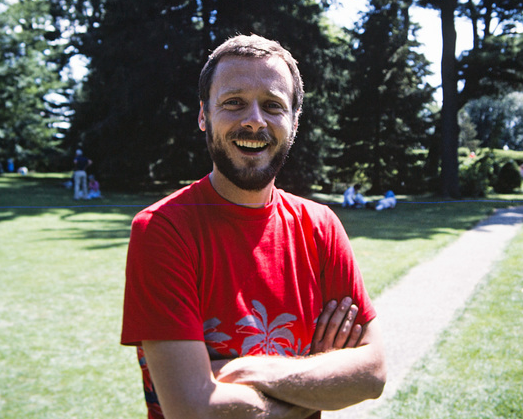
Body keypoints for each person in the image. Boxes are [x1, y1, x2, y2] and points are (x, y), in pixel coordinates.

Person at [121, 35, 386, 419]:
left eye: (273, 105)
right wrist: (313, 379)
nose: (254, 120)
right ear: (203, 115)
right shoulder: (163, 230)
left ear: (293, 123)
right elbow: (192, 409)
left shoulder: (321, 227)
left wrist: (252, 371)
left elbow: (372, 374)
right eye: (234, 102)